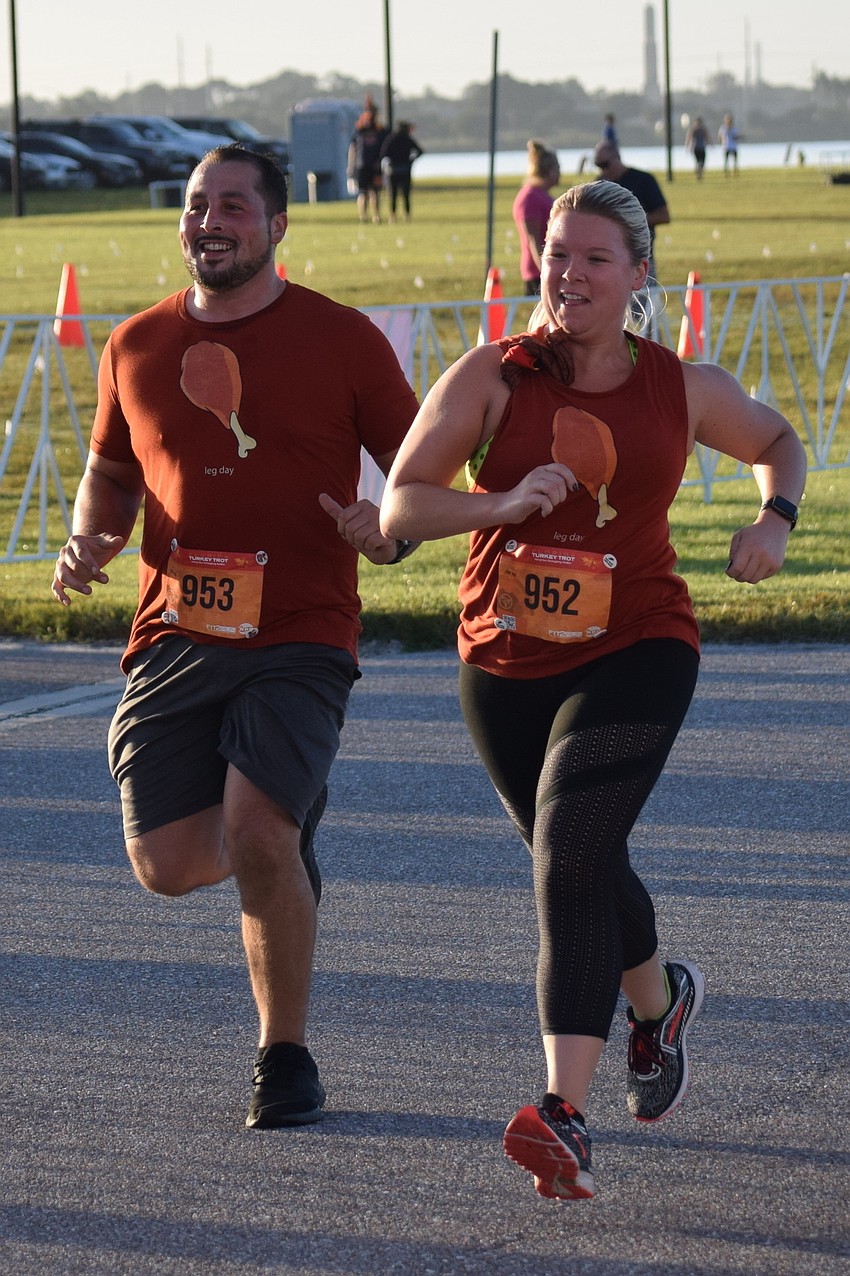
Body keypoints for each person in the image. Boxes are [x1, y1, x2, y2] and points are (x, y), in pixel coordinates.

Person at [380, 179, 806, 1201]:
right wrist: (497, 499)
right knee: (578, 851)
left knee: (568, 854)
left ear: (638, 273)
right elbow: (400, 503)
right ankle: (656, 1006)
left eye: (593, 258)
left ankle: (561, 1111)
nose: (567, 273)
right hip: (504, 658)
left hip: (639, 641)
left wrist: (774, 521)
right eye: (556, 253)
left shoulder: (678, 383)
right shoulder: (492, 376)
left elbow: (777, 440)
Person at [51, 145, 420, 1131]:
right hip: (175, 632)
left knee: (259, 831)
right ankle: (286, 839)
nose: (208, 221)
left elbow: (414, 473)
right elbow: (114, 475)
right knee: (166, 866)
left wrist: (386, 531)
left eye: (232, 206)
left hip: (301, 630)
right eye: (195, 204)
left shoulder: (341, 341)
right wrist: (91, 536)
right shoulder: (132, 344)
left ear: (278, 225)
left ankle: (283, 1058)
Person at [592, 141, 670, 287]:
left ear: (617, 158)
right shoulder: (599, 185)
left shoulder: (643, 180)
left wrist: (630, 219)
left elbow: (664, 216)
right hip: (604, 259)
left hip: (639, 257)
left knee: (644, 306)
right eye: (598, 165)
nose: (603, 170)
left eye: (605, 164)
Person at [512, 140, 561, 296]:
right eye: (558, 168)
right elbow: (533, 239)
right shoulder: (530, 198)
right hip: (537, 271)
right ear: (550, 171)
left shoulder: (542, 195)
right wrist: (545, 271)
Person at [348, 101, 389, 223]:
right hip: (361, 166)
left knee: (375, 192)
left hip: (375, 166)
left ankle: (376, 216)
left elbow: (384, 147)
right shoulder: (359, 130)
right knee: (363, 193)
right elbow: (353, 149)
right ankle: (363, 216)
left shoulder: (380, 131)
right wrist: (351, 166)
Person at [379, 120, 424, 222]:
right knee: (406, 195)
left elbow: (383, 154)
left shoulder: (391, 139)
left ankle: (392, 216)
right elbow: (420, 151)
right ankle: (407, 216)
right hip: (405, 169)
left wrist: (389, 162)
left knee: (393, 194)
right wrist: (411, 160)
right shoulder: (407, 139)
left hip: (393, 170)